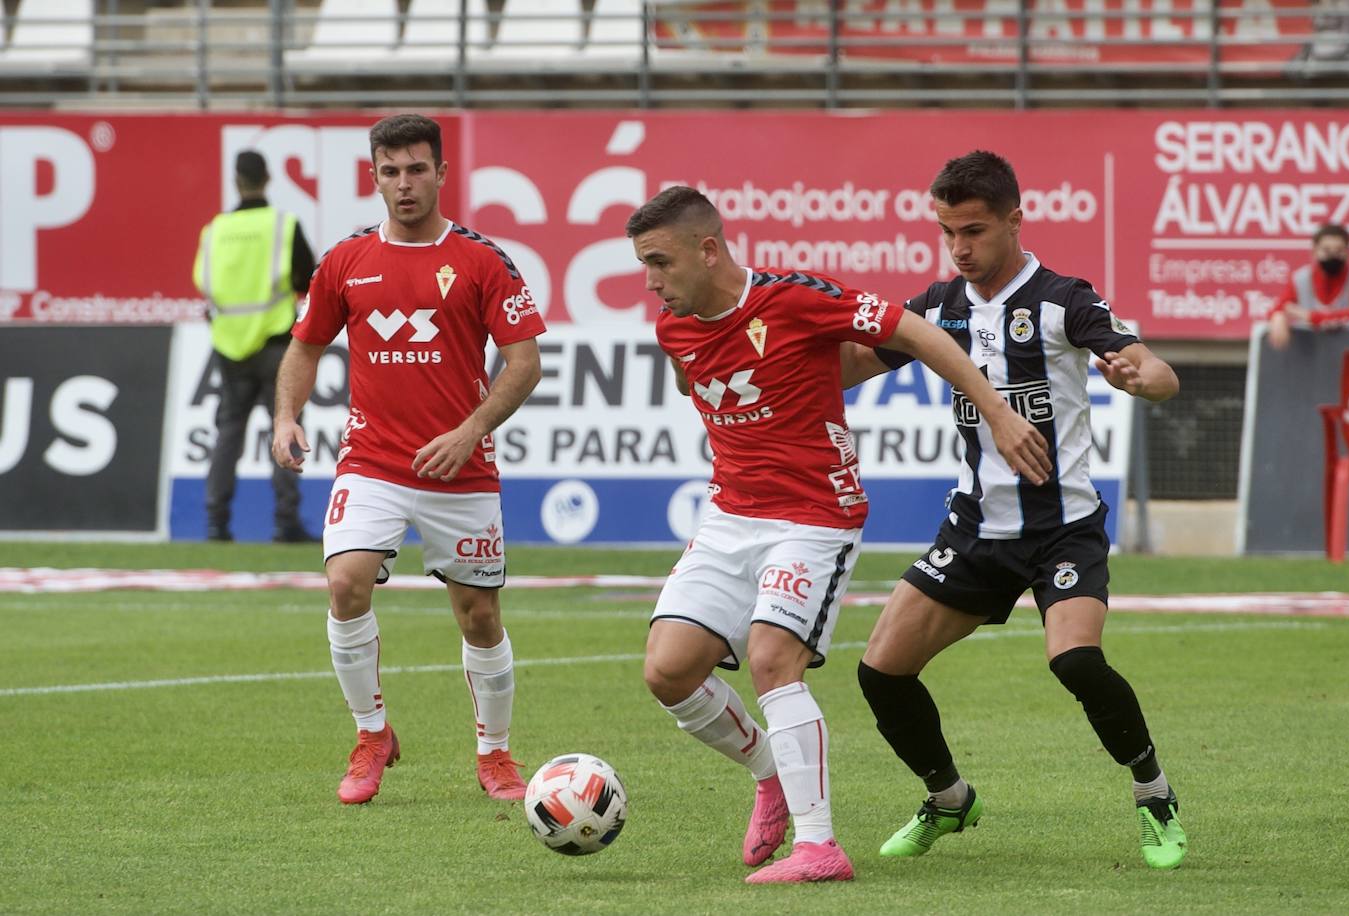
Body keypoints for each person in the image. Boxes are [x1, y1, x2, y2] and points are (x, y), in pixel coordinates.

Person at [627, 185, 1050, 884]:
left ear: (708, 250)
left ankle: (818, 846)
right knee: (667, 672)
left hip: (814, 514)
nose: (650, 281)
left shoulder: (793, 299)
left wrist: (997, 414)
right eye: (644, 265)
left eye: (660, 263)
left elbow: (916, 334)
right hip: (730, 515)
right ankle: (770, 774)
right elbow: (691, 376)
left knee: (771, 660)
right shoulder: (673, 329)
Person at [841, 150, 1187, 870]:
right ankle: (948, 799)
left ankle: (1154, 796)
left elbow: (1157, 371)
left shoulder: (1064, 299)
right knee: (880, 671)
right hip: (975, 531)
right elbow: (855, 364)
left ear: (1014, 220)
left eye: (974, 230)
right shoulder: (939, 308)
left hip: (1062, 530)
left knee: (1076, 660)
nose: (960, 249)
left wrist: (1137, 377)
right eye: (948, 233)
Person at [270, 114, 545, 806]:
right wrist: (285, 415)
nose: (404, 183)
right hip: (372, 462)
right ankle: (372, 735)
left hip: (463, 469)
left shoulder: (484, 260)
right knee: (345, 584)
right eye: (390, 171)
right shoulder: (345, 261)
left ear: (442, 174)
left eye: (417, 169)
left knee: (479, 615)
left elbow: (524, 362)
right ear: (375, 178)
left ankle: (496, 754)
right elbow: (305, 346)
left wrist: (470, 429)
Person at [193, 149, 316, 543]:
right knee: (286, 428)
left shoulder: (214, 230)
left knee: (228, 433)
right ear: (266, 179)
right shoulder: (282, 224)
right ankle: (286, 521)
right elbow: (307, 277)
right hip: (277, 343)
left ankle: (216, 521)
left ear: (236, 181)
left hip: (229, 346)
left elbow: (204, 283)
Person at [1267, 223, 1349, 350]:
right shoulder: (1300, 279)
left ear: (1348, 252)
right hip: (1312, 357)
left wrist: (1310, 316)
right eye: (1326, 250)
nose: (1333, 255)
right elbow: (1281, 307)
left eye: (1339, 250)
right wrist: (1278, 317)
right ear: (1314, 252)